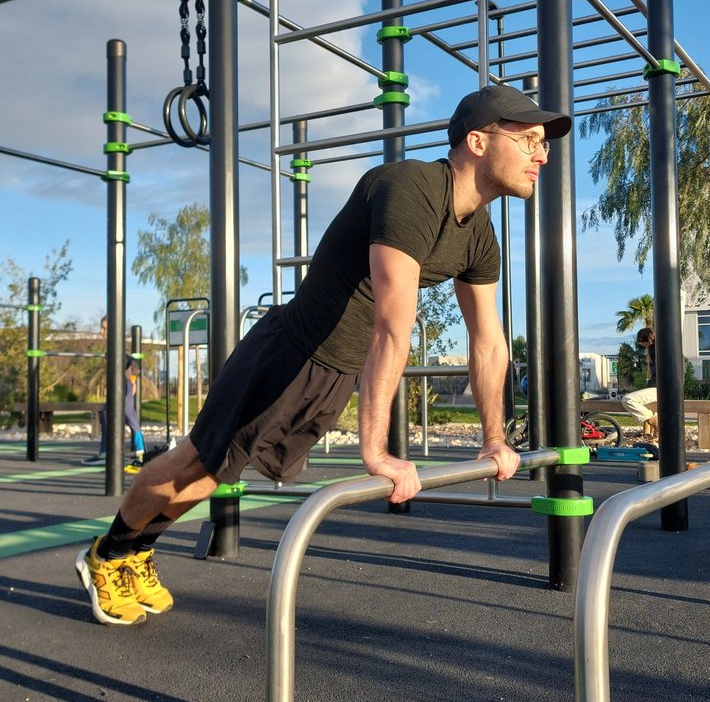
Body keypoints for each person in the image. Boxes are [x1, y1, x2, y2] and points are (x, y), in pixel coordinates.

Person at [76, 82, 571, 626]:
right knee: (198, 459)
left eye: (543, 143)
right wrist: (375, 451)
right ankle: (107, 554)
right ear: (478, 142)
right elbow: (392, 326)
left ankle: (137, 549)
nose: (542, 154)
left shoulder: (479, 234)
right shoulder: (412, 189)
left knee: (216, 473)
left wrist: (494, 438)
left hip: (334, 374)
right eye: (528, 140)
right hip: (288, 354)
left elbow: (489, 343)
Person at [622, 320, 657, 435]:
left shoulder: (656, 350)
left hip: (659, 389)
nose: (643, 346)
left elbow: (656, 375)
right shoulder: (654, 350)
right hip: (658, 388)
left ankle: (655, 421)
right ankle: (656, 430)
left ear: (648, 340)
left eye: (644, 344)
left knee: (628, 400)